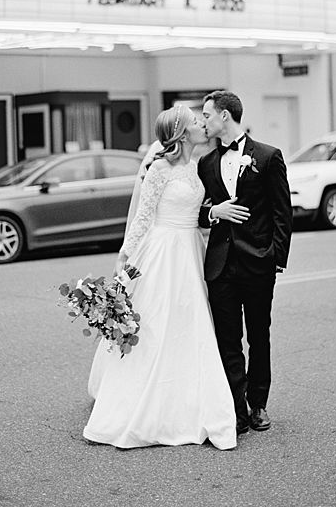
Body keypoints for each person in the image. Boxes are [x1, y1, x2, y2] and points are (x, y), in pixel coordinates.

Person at [83, 105, 236, 450]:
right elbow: (143, 217)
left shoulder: (198, 166)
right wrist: (125, 255)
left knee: (190, 324)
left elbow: (196, 213)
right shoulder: (159, 169)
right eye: (195, 122)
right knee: (157, 323)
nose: (202, 124)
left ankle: (190, 402)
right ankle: (142, 406)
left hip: (190, 251)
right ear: (181, 133)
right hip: (163, 252)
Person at [198, 90, 292, 435]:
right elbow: (195, 211)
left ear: (225, 115)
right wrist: (212, 212)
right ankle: (236, 408)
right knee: (227, 340)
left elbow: (283, 213)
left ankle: (259, 404)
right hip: (220, 266)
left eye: (207, 115)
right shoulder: (205, 164)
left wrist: (275, 258)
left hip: (258, 262)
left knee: (259, 335)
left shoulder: (267, 157)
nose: (203, 121)